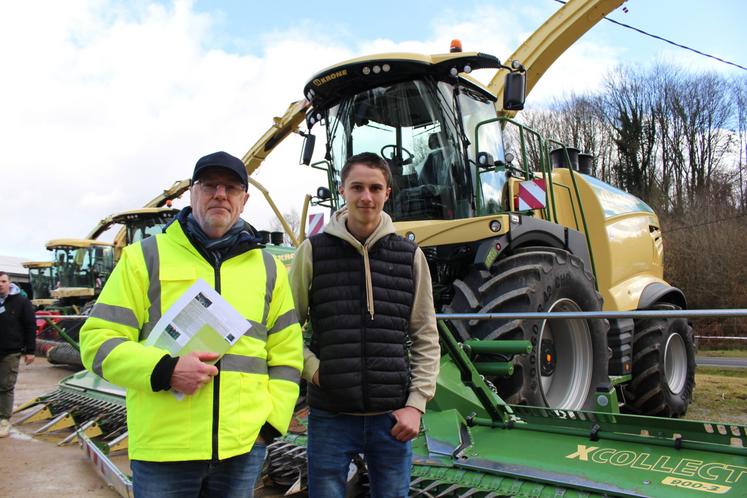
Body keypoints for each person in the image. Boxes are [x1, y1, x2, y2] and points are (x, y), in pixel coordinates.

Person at [80, 151, 303, 498]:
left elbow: (288, 355)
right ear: (192, 194)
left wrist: (269, 425)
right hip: (164, 450)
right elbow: (97, 342)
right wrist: (165, 370)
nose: (220, 194)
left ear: (244, 200)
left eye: (231, 187)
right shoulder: (144, 258)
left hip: (242, 450)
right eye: (210, 185)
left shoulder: (269, 270)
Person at [290, 152, 440, 497]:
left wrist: (416, 404)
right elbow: (284, 330)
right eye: (357, 187)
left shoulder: (409, 256)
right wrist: (314, 370)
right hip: (330, 415)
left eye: (375, 188)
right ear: (342, 190)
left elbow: (425, 336)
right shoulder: (312, 252)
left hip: (391, 419)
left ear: (388, 192)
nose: (366, 197)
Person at [0, 272, 36, 438]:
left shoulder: (21, 302)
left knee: (6, 385)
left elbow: (30, 325)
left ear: (9, 283)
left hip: (10, 351)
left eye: (3, 281)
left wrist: (30, 350)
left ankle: (4, 420)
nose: (0, 284)